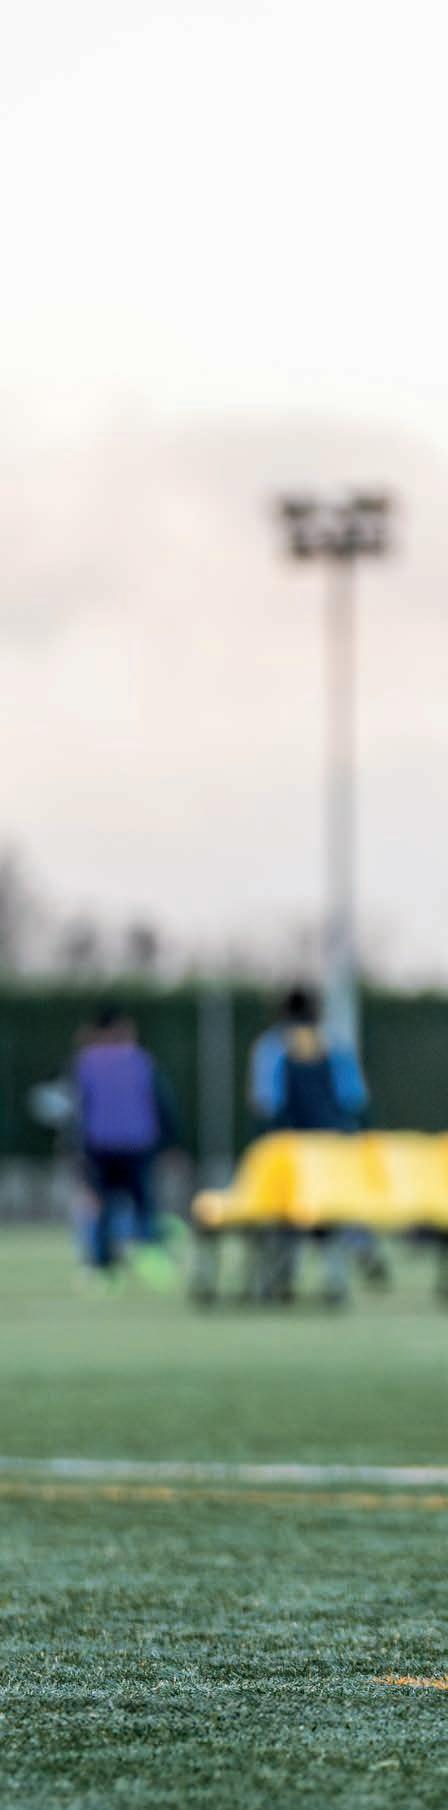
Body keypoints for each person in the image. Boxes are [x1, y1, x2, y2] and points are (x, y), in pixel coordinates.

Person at [74, 1003, 180, 1279]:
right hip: (137, 1144)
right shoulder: (140, 1059)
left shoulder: (86, 1061)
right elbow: (162, 1102)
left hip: (100, 1146)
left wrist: (78, 1148)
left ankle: (102, 1265)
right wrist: (170, 1142)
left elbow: (78, 1109)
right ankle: (150, 1256)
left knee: (103, 1206)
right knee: (144, 1204)